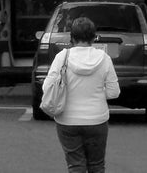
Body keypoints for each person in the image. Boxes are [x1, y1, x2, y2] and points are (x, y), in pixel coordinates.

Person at [44, 16, 120, 173]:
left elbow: (47, 87)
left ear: (72, 37)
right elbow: (114, 92)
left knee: (75, 165)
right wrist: (97, 93)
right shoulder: (104, 58)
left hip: (67, 119)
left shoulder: (62, 57)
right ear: (94, 37)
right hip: (97, 119)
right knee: (97, 165)